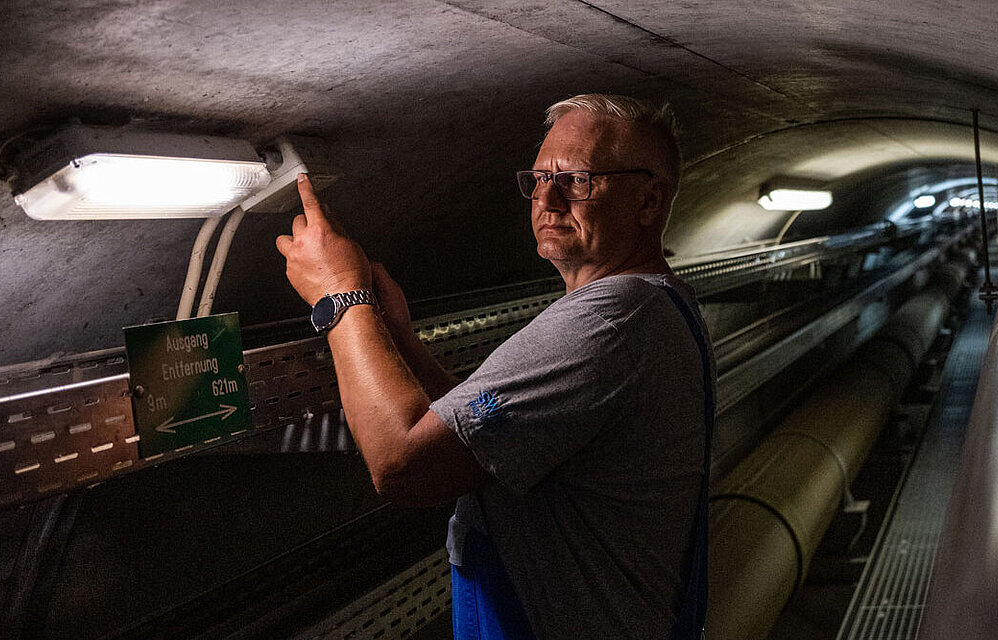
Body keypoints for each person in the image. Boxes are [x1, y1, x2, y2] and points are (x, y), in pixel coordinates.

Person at [275, 94, 710, 640]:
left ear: (649, 201)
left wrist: (339, 298)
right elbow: (475, 434)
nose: (546, 200)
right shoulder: (654, 304)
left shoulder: (610, 319)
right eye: (538, 178)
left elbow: (403, 464)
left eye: (576, 180)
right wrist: (396, 339)